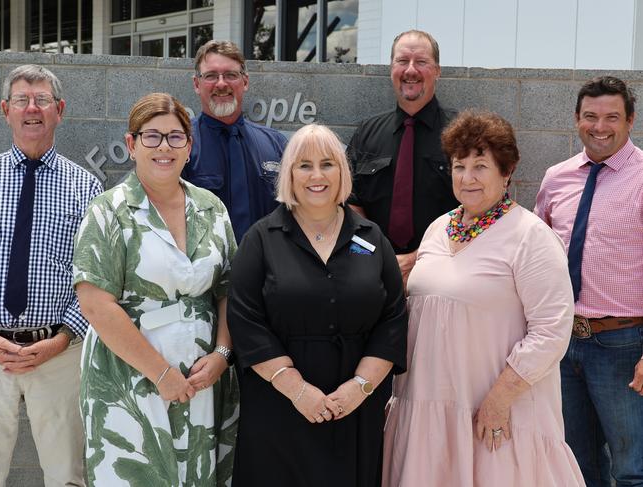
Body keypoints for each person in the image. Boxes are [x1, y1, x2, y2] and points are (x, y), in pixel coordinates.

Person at [383, 111, 585, 486]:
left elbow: (552, 331)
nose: (467, 177)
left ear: (506, 172)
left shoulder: (531, 237)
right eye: (459, 166)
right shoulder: (437, 229)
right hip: (426, 409)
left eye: (481, 166)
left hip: (496, 414)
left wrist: (499, 399)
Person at [227, 124, 407, 487]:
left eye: (327, 164)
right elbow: (245, 320)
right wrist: (297, 389)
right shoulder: (260, 240)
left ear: (342, 172)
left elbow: (393, 319)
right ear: (289, 174)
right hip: (279, 406)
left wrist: (360, 387)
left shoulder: (371, 239)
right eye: (304, 165)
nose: (316, 175)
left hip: (354, 409)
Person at [73, 92, 239, 486]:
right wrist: (161, 373)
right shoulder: (107, 211)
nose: (164, 147)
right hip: (128, 379)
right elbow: (96, 305)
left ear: (189, 146)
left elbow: (229, 290)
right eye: (152, 136)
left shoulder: (212, 208)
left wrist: (222, 353)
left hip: (202, 377)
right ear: (132, 145)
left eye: (175, 137)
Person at [0, 64, 101, 487]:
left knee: (66, 476)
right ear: (6, 110)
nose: (32, 108)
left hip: (60, 353)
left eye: (42, 100)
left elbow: (95, 276)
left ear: (60, 110)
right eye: (22, 100)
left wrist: (62, 339)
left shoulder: (87, 188)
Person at [535, 76, 643, 487]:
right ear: (576, 120)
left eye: (612, 117)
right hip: (561, 345)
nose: (600, 127)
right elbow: (538, 254)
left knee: (632, 469)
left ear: (630, 121)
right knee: (574, 466)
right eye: (591, 117)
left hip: (623, 345)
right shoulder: (556, 178)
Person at [347, 29, 458, 286]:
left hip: (445, 277)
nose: (410, 70)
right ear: (391, 68)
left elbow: (478, 210)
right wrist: (377, 256)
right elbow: (349, 206)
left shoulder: (462, 133)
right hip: (373, 278)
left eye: (421, 62)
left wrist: (418, 258)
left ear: (438, 70)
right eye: (402, 61)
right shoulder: (367, 133)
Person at [182, 39, 287, 243]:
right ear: (197, 84)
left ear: (245, 82)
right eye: (211, 76)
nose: (221, 84)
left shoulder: (277, 145)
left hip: (266, 271)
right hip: (205, 272)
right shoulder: (180, 145)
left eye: (231, 75)